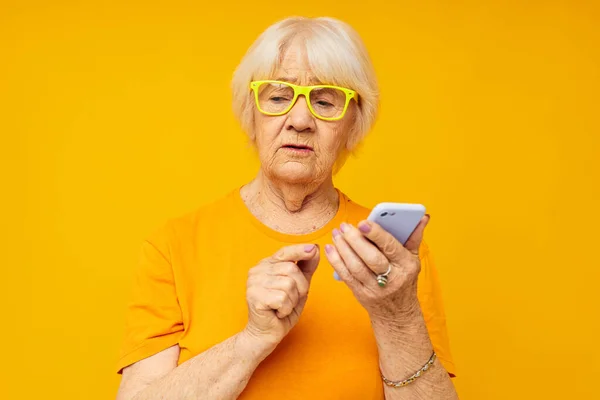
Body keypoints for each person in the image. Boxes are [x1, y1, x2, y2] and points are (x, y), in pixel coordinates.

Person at [115, 16, 458, 400]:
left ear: (353, 123)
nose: (299, 121)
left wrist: (397, 316)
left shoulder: (393, 259)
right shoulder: (173, 246)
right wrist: (252, 340)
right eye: (278, 97)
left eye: (325, 101)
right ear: (251, 113)